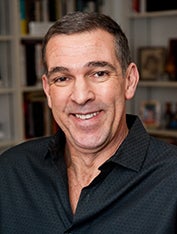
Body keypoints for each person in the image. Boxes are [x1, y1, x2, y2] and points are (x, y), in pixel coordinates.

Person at [0, 11, 177, 234]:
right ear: (47, 90)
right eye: (62, 78)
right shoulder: (10, 172)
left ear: (129, 81)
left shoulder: (171, 180)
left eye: (99, 73)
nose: (81, 96)